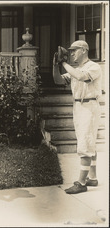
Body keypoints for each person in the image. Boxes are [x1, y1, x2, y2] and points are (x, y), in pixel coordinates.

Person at [52, 40, 102, 194]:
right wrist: (56, 65)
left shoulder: (93, 67)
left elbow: (81, 77)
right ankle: (92, 177)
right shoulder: (76, 69)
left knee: (85, 145)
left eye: (74, 50)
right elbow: (58, 80)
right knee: (87, 141)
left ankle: (81, 183)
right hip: (79, 106)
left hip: (89, 106)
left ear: (84, 50)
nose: (71, 53)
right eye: (70, 51)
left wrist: (65, 63)